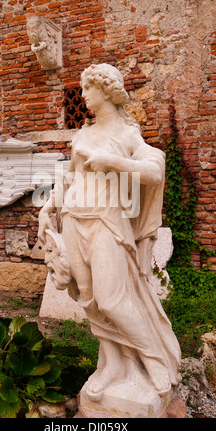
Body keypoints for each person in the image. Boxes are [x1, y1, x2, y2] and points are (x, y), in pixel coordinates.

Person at [38, 63, 181, 401]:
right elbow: (70, 178)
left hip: (106, 222)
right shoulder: (83, 134)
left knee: (113, 300)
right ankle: (112, 365)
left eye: (87, 89)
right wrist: (49, 206)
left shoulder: (128, 135)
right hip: (74, 217)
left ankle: (154, 359)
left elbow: (154, 171)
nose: (83, 95)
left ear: (106, 91)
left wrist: (113, 162)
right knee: (89, 300)